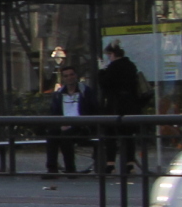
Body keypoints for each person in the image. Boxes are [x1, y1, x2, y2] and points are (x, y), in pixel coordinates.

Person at [94, 42, 148, 173]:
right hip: (130, 105)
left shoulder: (113, 68)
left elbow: (105, 84)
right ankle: (130, 164)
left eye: (109, 55)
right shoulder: (130, 66)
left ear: (112, 54)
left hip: (115, 106)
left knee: (111, 135)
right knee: (128, 136)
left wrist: (101, 71)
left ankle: (110, 164)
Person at [41, 67, 99, 175]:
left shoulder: (86, 92)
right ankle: (52, 169)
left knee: (66, 136)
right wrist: (60, 125)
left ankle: (70, 169)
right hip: (64, 124)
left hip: (82, 126)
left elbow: (93, 109)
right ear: (63, 78)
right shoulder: (59, 94)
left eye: (71, 75)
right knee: (52, 134)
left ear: (76, 76)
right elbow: (54, 113)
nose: (69, 78)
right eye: (66, 76)